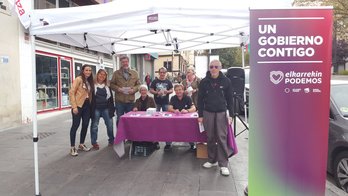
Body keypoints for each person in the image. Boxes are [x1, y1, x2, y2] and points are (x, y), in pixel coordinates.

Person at [197, 60, 233, 176]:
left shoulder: (226, 81)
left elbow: (230, 99)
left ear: (220, 68)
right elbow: (200, 99)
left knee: (222, 138)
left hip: (221, 113)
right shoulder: (204, 82)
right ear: (209, 67)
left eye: (216, 67)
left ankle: (223, 164)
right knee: (210, 137)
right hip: (208, 112)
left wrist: (231, 115)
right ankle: (212, 160)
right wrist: (200, 115)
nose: (213, 69)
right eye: (211, 66)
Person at [69, 64, 94, 156]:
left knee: (85, 124)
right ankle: (72, 147)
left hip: (87, 105)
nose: (88, 72)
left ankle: (81, 144)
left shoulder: (90, 81)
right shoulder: (79, 79)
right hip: (78, 105)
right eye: (86, 70)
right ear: (83, 71)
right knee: (75, 126)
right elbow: (71, 92)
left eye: (90, 70)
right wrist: (74, 106)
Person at [110, 56, 141, 126]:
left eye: (126, 62)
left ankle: (130, 135)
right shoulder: (116, 73)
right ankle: (120, 135)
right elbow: (111, 84)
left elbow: (139, 85)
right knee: (119, 119)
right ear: (121, 63)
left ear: (128, 62)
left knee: (130, 119)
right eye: (123, 62)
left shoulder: (135, 73)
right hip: (119, 102)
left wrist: (134, 89)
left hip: (130, 101)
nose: (125, 63)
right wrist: (118, 89)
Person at [90, 69, 115, 150]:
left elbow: (110, 99)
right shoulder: (92, 85)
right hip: (96, 108)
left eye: (104, 75)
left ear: (106, 77)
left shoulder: (108, 86)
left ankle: (111, 140)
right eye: (100, 74)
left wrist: (112, 109)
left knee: (110, 125)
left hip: (106, 108)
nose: (102, 76)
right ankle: (94, 142)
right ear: (97, 75)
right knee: (94, 126)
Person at [150, 67, 173, 150]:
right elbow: (151, 90)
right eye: (161, 72)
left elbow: (172, 90)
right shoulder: (155, 81)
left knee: (167, 123)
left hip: (166, 103)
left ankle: (168, 143)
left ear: (166, 73)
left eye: (164, 72)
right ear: (159, 73)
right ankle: (155, 142)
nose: (162, 74)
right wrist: (156, 92)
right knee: (154, 122)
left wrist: (167, 92)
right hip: (156, 103)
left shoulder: (168, 81)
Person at [168, 84, 196, 150]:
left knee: (190, 130)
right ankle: (168, 144)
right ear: (175, 91)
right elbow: (169, 108)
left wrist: (187, 110)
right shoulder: (173, 98)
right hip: (175, 120)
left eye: (180, 90)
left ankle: (192, 144)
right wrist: (174, 110)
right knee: (168, 127)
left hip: (186, 120)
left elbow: (194, 108)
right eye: (176, 90)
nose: (178, 91)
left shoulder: (188, 98)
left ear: (183, 90)